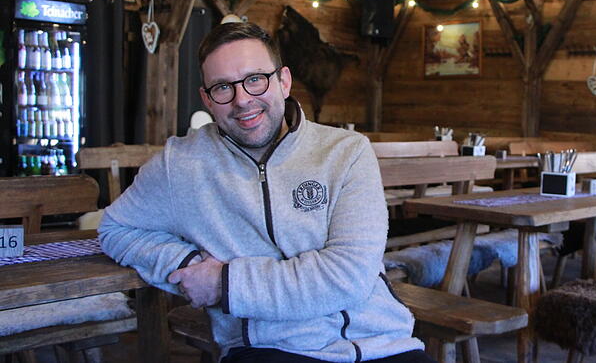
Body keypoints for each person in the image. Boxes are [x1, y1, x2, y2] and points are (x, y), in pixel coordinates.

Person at [99, 22, 431, 363]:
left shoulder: (347, 151)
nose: (242, 100)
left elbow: (348, 275)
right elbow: (116, 228)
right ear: (207, 99)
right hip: (268, 348)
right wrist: (190, 266)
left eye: (255, 79)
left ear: (283, 81)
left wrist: (225, 284)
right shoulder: (181, 163)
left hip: (382, 343)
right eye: (223, 87)